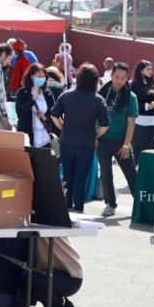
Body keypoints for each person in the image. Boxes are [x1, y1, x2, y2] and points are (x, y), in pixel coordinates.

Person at [51, 64, 109, 213]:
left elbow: (54, 115)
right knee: (81, 177)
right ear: (95, 81)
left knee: (67, 175)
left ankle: (66, 204)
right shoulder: (98, 100)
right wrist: (95, 134)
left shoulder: (66, 95)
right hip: (86, 142)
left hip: (67, 140)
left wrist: (63, 127)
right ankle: (79, 206)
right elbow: (105, 125)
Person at [96, 62, 138, 217]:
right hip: (102, 141)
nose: (119, 80)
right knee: (105, 174)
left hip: (121, 141)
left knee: (131, 174)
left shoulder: (131, 97)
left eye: (123, 78)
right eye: (116, 77)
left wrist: (127, 144)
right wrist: (95, 137)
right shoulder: (102, 93)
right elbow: (95, 118)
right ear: (111, 75)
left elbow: (131, 123)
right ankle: (110, 204)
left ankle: (140, 204)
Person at [15, 63, 55, 147]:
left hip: (45, 136)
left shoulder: (48, 93)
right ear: (32, 76)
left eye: (43, 76)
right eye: (39, 76)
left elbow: (53, 112)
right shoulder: (22, 92)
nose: (41, 79)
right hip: (28, 137)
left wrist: (45, 117)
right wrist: (33, 99)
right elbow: (20, 113)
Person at [130, 60, 154, 159]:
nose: (151, 71)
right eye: (148, 69)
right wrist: (146, 106)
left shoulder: (151, 83)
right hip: (140, 120)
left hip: (152, 120)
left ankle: (143, 170)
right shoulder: (133, 84)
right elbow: (132, 103)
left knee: (148, 148)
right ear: (141, 70)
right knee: (137, 147)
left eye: (151, 69)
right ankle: (133, 170)